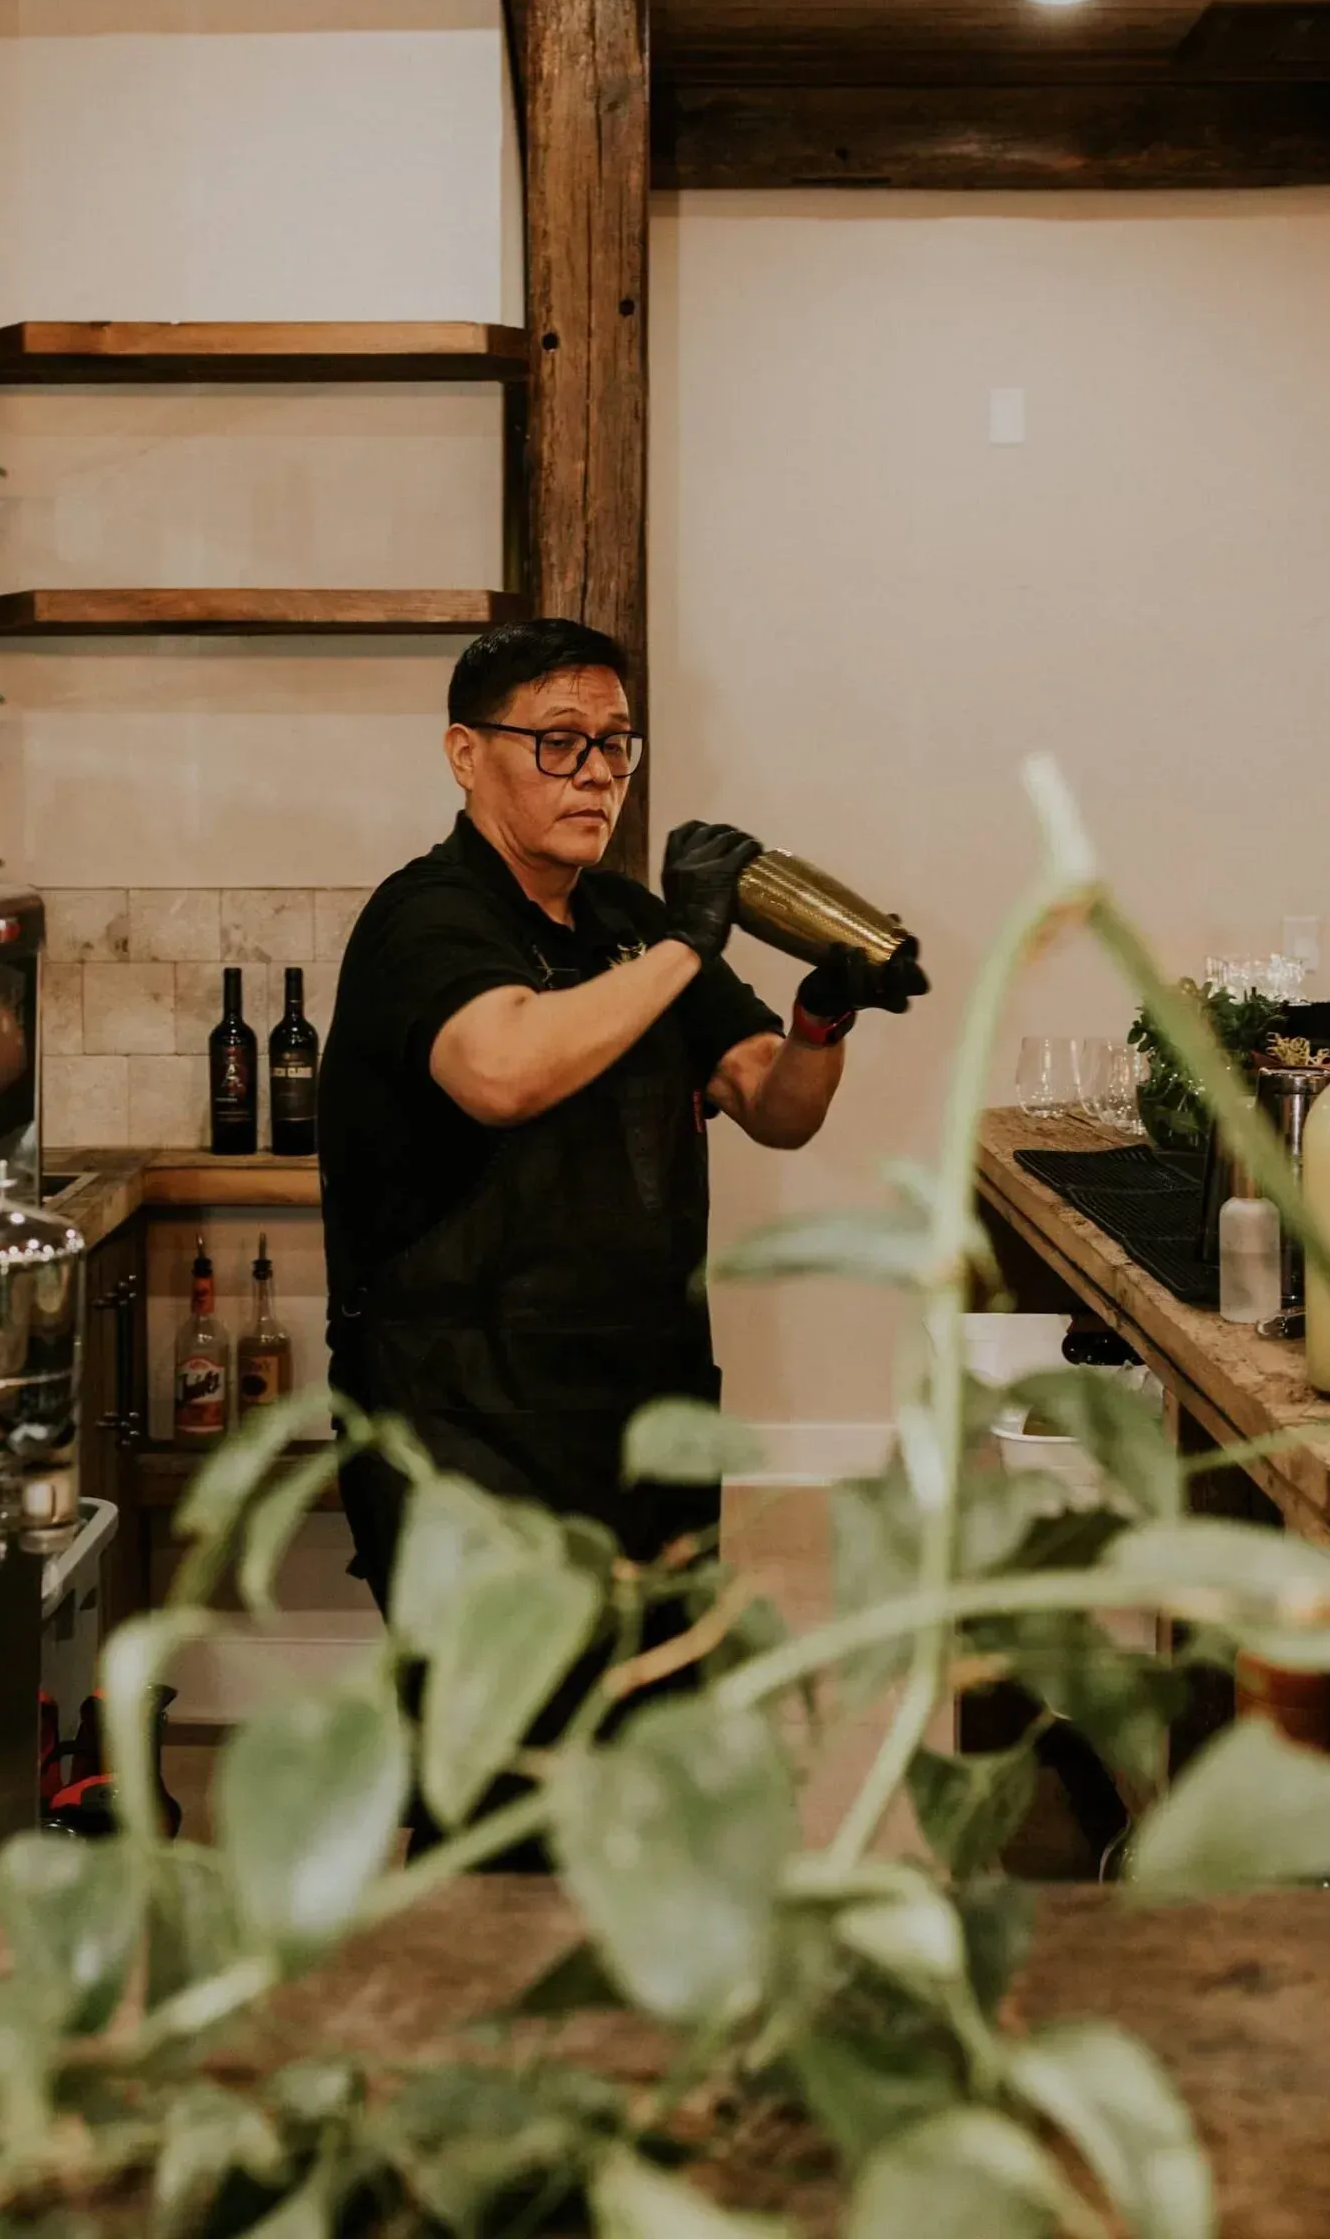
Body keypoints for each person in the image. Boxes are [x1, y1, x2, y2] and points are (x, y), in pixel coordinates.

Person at [319, 615, 927, 1613]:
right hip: (465, 1421)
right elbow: (501, 1068)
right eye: (558, 741)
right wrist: (689, 942)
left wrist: (823, 1014)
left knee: (651, 1735)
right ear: (464, 755)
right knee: (509, 1750)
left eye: (615, 743)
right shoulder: (423, 917)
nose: (596, 772)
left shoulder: (628, 924)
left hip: (645, 1405)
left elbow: (774, 1106)